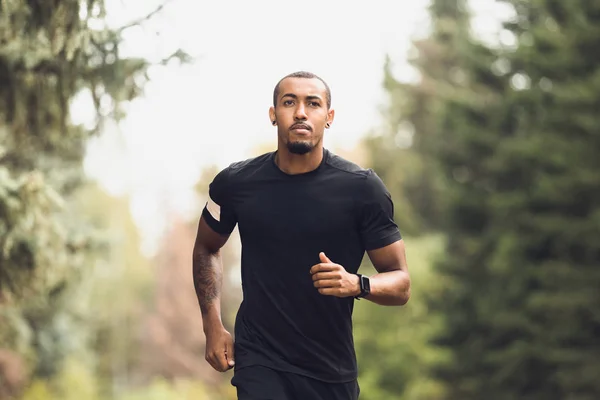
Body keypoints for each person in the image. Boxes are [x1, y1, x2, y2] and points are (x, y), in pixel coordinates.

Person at [192, 71, 411, 400]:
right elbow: (207, 247)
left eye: (313, 103)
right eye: (289, 102)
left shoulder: (362, 190)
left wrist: (357, 284)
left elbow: (401, 283)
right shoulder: (235, 184)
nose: (300, 112)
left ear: (329, 117)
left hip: (330, 369)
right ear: (273, 114)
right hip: (260, 358)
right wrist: (212, 324)